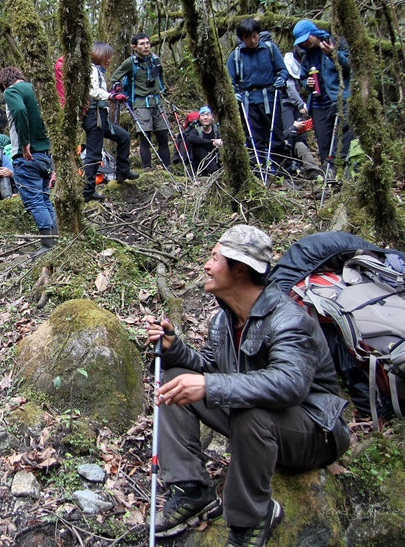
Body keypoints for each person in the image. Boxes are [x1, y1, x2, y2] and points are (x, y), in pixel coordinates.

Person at [145, 225, 350, 546]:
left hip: (313, 434)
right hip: (260, 424)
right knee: (174, 382)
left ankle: (251, 520)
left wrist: (210, 385)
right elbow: (211, 369)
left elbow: (290, 385)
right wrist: (177, 350)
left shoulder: (289, 320)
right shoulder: (223, 321)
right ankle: (191, 490)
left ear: (239, 269)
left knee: (249, 412)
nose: (206, 266)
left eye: (214, 258)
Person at [0, 66, 56, 253]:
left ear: (4, 84)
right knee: (45, 198)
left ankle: (47, 245)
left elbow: (20, 111)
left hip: (27, 156)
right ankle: (54, 240)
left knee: (35, 201)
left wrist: (24, 143)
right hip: (45, 154)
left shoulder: (11, 91)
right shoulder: (38, 90)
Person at [226, 18, 290, 173]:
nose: (252, 40)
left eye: (255, 35)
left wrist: (281, 79)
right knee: (254, 137)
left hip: (269, 97)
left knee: (276, 133)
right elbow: (228, 80)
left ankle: (280, 170)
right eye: (248, 37)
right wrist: (234, 93)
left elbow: (282, 70)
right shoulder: (236, 56)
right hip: (248, 101)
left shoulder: (270, 49)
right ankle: (258, 170)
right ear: (242, 38)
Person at [292, 19, 354, 173]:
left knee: (342, 141)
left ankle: (340, 174)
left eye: (307, 39)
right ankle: (328, 176)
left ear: (314, 33)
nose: (305, 44)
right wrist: (308, 83)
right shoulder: (306, 56)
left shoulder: (336, 43)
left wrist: (333, 54)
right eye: (302, 42)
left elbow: (348, 68)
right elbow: (303, 77)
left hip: (338, 100)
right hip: (319, 105)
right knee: (324, 144)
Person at [82, 42, 139, 201]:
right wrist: (111, 96)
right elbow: (93, 91)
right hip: (94, 116)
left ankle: (122, 172)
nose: (109, 60)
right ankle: (88, 191)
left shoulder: (98, 71)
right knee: (94, 154)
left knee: (124, 137)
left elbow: (98, 91)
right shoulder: (92, 70)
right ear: (99, 55)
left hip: (100, 116)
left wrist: (112, 93)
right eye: (107, 57)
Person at [110, 32, 170, 171]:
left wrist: (163, 89)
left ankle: (168, 168)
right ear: (134, 47)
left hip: (157, 102)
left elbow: (160, 77)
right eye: (142, 44)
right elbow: (115, 77)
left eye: (148, 43)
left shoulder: (155, 60)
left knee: (163, 135)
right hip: (140, 103)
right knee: (145, 136)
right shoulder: (130, 62)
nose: (146, 46)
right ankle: (147, 168)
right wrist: (118, 89)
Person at [184, 106, 223, 176]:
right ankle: (215, 172)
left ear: (212, 117)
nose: (205, 118)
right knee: (197, 146)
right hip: (201, 165)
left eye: (208, 115)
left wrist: (220, 142)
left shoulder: (217, 129)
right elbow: (191, 138)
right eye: (202, 115)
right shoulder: (196, 129)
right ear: (199, 118)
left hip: (217, 160)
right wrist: (211, 142)